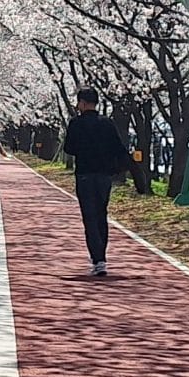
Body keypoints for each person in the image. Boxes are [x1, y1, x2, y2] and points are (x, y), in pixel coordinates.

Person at [60, 90, 133, 276]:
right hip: (104, 175)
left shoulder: (76, 123)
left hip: (84, 173)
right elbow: (118, 147)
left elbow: (69, 148)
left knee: (89, 216)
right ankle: (101, 257)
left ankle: (97, 258)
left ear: (83, 103)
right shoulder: (107, 123)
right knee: (101, 214)